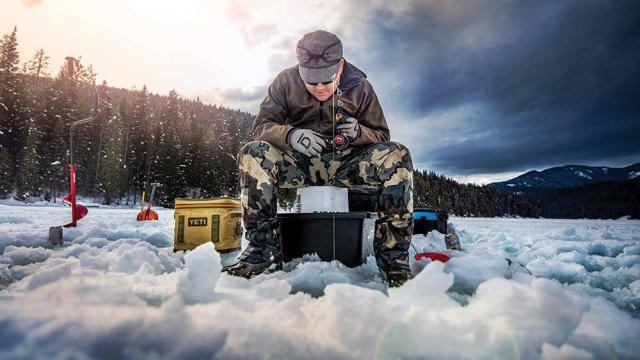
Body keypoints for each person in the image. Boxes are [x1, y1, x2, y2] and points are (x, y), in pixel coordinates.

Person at [226, 30, 414, 287]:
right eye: (311, 82)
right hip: (299, 164)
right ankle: (262, 252)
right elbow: (261, 126)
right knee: (252, 153)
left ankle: (394, 262)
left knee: (397, 154)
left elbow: (383, 136)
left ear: (340, 66)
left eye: (326, 81)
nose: (319, 88)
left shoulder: (361, 87)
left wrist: (360, 133)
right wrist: (290, 135)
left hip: (348, 165)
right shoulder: (285, 82)